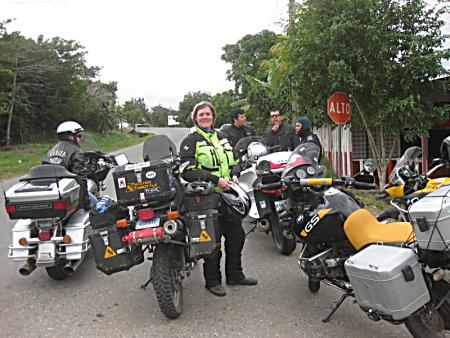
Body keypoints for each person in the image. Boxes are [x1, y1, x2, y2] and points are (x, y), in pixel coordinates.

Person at [179, 101, 257, 297]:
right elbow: (187, 171)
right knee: (212, 242)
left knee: (237, 236)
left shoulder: (222, 137)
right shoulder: (191, 141)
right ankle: (212, 281)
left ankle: (235, 275)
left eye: (208, 114)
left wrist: (236, 172)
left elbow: (235, 162)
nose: (205, 117)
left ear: (213, 117)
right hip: (205, 198)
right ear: (195, 118)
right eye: (201, 114)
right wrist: (215, 179)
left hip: (228, 194)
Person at [42, 121, 95, 209]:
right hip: (70, 193)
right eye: (79, 136)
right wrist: (85, 200)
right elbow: (80, 177)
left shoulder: (50, 151)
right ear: (71, 136)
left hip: (54, 193)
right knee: (97, 204)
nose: (80, 139)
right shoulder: (76, 151)